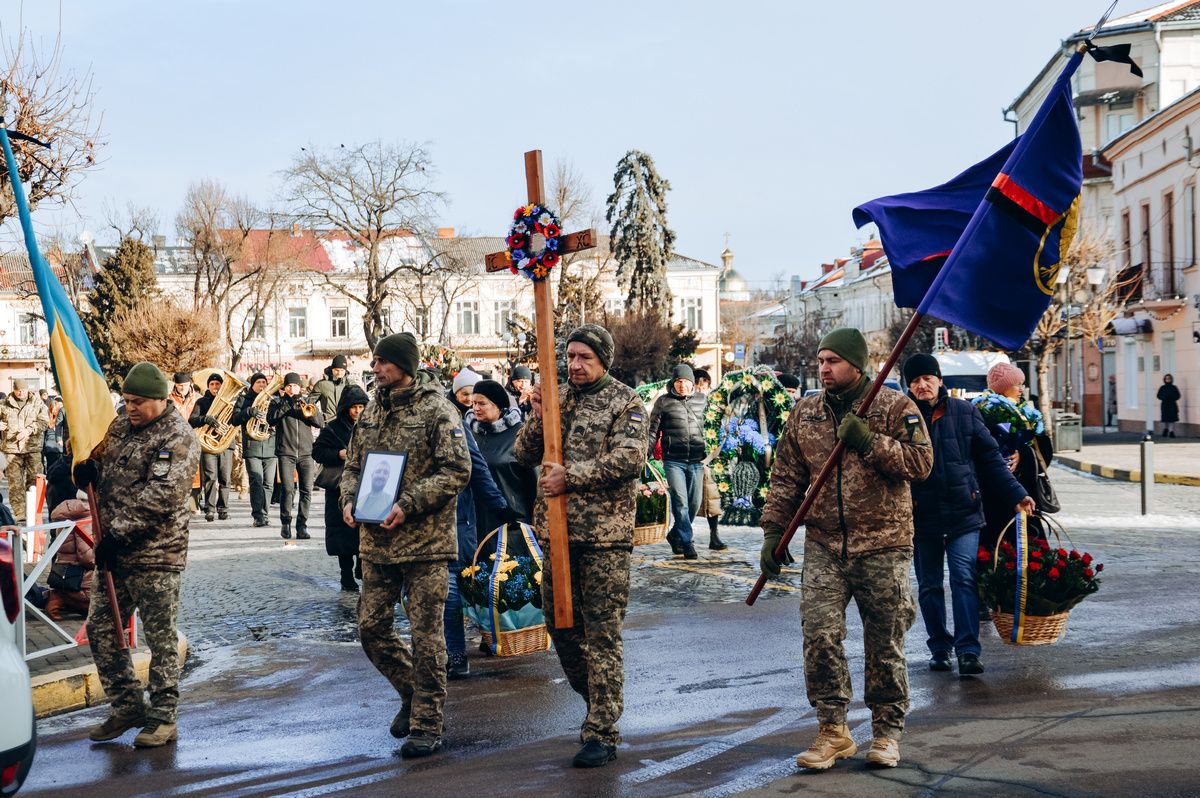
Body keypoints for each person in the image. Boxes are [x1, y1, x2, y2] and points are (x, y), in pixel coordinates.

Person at [760, 328, 932, 771]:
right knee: (819, 636)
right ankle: (832, 730)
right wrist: (772, 532)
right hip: (824, 544)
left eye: (833, 360)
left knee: (885, 643)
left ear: (857, 365)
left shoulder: (894, 406)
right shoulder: (806, 413)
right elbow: (786, 478)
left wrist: (869, 442)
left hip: (884, 544)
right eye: (821, 360)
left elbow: (922, 463)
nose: (824, 368)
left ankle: (887, 732)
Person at [514, 323, 648, 768]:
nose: (575, 365)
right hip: (556, 535)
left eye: (584, 358)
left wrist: (571, 477)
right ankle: (598, 701)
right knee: (561, 629)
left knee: (602, 634)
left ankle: (602, 730)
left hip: (603, 538)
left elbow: (630, 459)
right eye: (570, 357)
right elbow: (523, 453)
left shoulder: (625, 402)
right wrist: (537, 412)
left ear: (603, 360)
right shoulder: (560, 400)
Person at [340, 332, 471, 759]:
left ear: (404, 365)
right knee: (371, 629)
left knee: (426, 636)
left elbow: (457, 470)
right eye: (375, 362)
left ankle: (427, 724)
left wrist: (408, 503)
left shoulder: (438, 410)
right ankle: (413, 693)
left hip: (425, 545)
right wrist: (348, 498)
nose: (375, 369)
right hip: (376, 543)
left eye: (382, 362)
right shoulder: (373, 410)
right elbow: (354, 464)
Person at [74, 362, 201, 748]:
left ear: (161, 400)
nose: (129, 407)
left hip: (156, 553)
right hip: (116, 552)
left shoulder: (176, 437)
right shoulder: (120, 426)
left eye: (138, 402)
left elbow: (160, 497)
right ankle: (127, 704)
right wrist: (87, 470)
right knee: (100, 629)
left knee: (159, 637)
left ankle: (163, 719)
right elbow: (102, 457)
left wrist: (115, 535)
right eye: (127, 400)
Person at [902, 354, 1033, 676]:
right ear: (909, 385)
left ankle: (968, 650)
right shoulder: (900, 418)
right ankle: (940, 648)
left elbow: (990, 460)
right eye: (915, 380)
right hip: (922, 516)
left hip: (964, 512)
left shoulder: (964, 412)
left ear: (939, 380)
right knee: (930, 584)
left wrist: (1017, 494)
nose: (922, 385)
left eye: (927, 378)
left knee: (963, 578)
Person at [447, 422, 512, 679]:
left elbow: (477, 468)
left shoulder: (451, 419)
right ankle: (435, 652)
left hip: (454, 522)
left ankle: (456, 654)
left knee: (451, 588)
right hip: (409, 525)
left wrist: (501, 507)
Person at [976, 363, 1053, 554]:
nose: (1021, 389)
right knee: (999, 550)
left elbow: (1043, 451)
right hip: (996, 500)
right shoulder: (985, 413)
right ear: (1002, 388)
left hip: (1026, 496)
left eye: (1022, 384)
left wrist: (1023, 454)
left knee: (1030, 549)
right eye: (1016, 384)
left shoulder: (1025, 413)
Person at [647, 364, 707, 559]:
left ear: (692, 383)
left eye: (686, 381)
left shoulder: (702, 400)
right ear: (673, 383)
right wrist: (646, 453)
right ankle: (688, 542)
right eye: (678, 381)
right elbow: (652, 431)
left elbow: (712, 425)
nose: (682, 385)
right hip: (674, 460)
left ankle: (675, 535)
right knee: (680, 501)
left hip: (697, 460)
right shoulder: (663, 402)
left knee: (695, 503)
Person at [313, 384, 369, 591]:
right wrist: (338, 454)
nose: (357, 411)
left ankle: (361, 567)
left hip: (365, 486)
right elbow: (317, 452)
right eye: (354, 407)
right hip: (338, 487)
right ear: (345, 408)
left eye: (361, 407)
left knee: (364, 531)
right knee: (342, 535)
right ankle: (346, 573)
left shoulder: (370, 426)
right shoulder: (333, 428)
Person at [467, 379, 536, 530]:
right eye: (473, 403)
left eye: (482, 403)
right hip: (474, 520)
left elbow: (533, 484)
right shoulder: (470, 434)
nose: (475, 408)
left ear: (497, 404)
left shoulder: (519, 434)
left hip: (511, 520)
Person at [269, 372, 325, 540]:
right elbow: (271, 419)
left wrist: (306, 409)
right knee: (287, 489)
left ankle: (302, 525)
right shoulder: (277, 402)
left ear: (299, 387)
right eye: (289, 386)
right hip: (286, 452)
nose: (292, 388)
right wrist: (287, 404)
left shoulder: (307, 402)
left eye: (294, 385)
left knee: (306, 490)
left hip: (306, 453)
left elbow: (320, 422)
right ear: (285, 388)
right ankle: (286, 523)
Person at [230, 373, 278, 528]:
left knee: (269, 483)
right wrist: (248, 412)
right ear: (252, 384)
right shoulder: (244, 399)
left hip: (270, 445)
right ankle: (258, 515)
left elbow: (279, 419)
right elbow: (235, 419)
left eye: (264, 382)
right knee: (256, 482)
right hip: (252, 446)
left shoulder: (272, 400)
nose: (262, 385)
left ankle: (265, 513)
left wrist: (271, 423)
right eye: (259, 382)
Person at [189, 373, 234, 522]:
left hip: (226, 445)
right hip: (208, 445)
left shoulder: (229, 401)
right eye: (212, 384)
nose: (215, 387)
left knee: (225, 479)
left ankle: (223, 509)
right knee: (210, 477)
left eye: (218, 384)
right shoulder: (201, 402)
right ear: (208, 386)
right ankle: (209, 509)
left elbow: (236, 420)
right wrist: (205, 419)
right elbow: (192, 420)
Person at [1, 378, 48, 522]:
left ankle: (33, 512)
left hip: (32, 448)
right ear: (13, 389)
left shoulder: (38, 403)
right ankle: (21, 516)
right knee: (15, 484)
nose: (20, 392)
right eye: (17, 390)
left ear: (28, 389)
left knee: (34, 481)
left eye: (23, 390)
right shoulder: (3, 404)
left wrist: (28, 430)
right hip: (11, 449)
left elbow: (44, 422)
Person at [314, 354, 355, 424]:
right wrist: (320, 417)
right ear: (332, 369)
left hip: (346, 425)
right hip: (328, 425)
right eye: (336, 370)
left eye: (342, 370)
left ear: (345, 370)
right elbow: (310, 402)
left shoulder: (351, 384)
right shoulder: (322, 384)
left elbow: (360, 403)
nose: (339, 373)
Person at [43, 396, 64, 475]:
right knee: (51, 467)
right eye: (53, 409)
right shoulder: (47, 418)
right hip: (50, 445)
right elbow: (45, 435)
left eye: (57, 409)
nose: (55, 411)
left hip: (60, 444)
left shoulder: (62, 417)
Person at [1158, 374, 1181, 438]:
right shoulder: (1162, 387)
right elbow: (1158, 395)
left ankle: (1171, 432)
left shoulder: (1174, 387)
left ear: (1171, 379)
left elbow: (1178, 395)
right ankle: (1165, 429)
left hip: (1172, 405)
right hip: (1165, 405)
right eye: (1166, 379)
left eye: (1169, 378)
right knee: (1165, 419)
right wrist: (1163, 397)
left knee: (1171, 419)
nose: (1168, 380)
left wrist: (1172, 398)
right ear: (1164, 380)